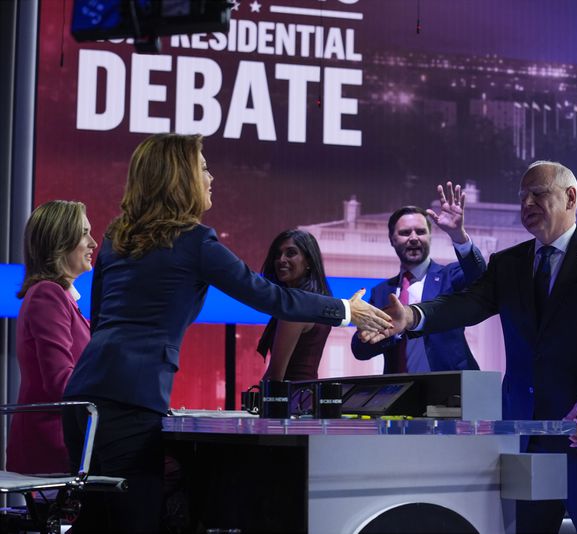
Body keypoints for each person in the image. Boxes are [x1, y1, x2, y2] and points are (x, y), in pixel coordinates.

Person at [61, 133, 391, 533]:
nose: (211, 177)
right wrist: (344, 309)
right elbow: (268, 296)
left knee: (96, 522)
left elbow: (100, 322)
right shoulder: (196, 241)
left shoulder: (116, 238)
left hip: (82, 398)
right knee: (135, 521)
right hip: (130, 403)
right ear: (180, 178)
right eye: (202, 168)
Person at [361, 161, 577, 533]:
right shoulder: (509, 264)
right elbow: (464, 304)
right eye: (522, 196)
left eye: (538, 194)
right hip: (526, 437)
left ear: (570, 197)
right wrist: (412, 317)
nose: (526, 203)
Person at [351, 182, 486, 373]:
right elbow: (360, 350)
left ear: (430, 237)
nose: (414, 238)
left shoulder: (450, 277)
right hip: (399, 394)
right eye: (405, 233)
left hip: (452, 391)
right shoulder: (381, 292)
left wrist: (458, 236)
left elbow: (480, 276)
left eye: (421, 232)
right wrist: (389, 332)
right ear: (392, 239)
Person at [7, 200, 97, 475]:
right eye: (84, 233)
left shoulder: (61, 298)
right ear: (60, 242)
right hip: (56, 446)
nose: (93, 243)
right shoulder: (48, 294)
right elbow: (62, 383)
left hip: (70, 442)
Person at [257, 229, 333, 381]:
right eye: (277, 255)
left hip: (290, 399)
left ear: (309, 261)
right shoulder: (316, 301)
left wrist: (257, 401)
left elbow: (275, 376)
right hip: (306, 397)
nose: (281, 259)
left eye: (290, 253)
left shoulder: (297, 306)